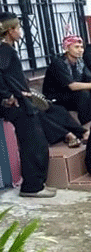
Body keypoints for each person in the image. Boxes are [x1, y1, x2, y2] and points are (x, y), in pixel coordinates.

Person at [0, 12, 54, 197]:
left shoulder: (7, 49)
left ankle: (37, 184)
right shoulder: (4, 50)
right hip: (15, 105)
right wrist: (7, 95)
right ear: (10, 30)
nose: (21, 31)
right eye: (18, 27)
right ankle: (32, 187)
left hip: (22, 101)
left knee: (37, 140)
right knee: (33, 144)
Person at [43, 35, 91, 125]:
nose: (80, 50)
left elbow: (90, 79)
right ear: (67, 48)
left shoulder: (80, 62)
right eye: (76, 47)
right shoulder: (59, 63)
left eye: (81, 47)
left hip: (72, 94)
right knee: (83, 94)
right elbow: (72, 86)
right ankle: (89, 125)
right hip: (56, 97)